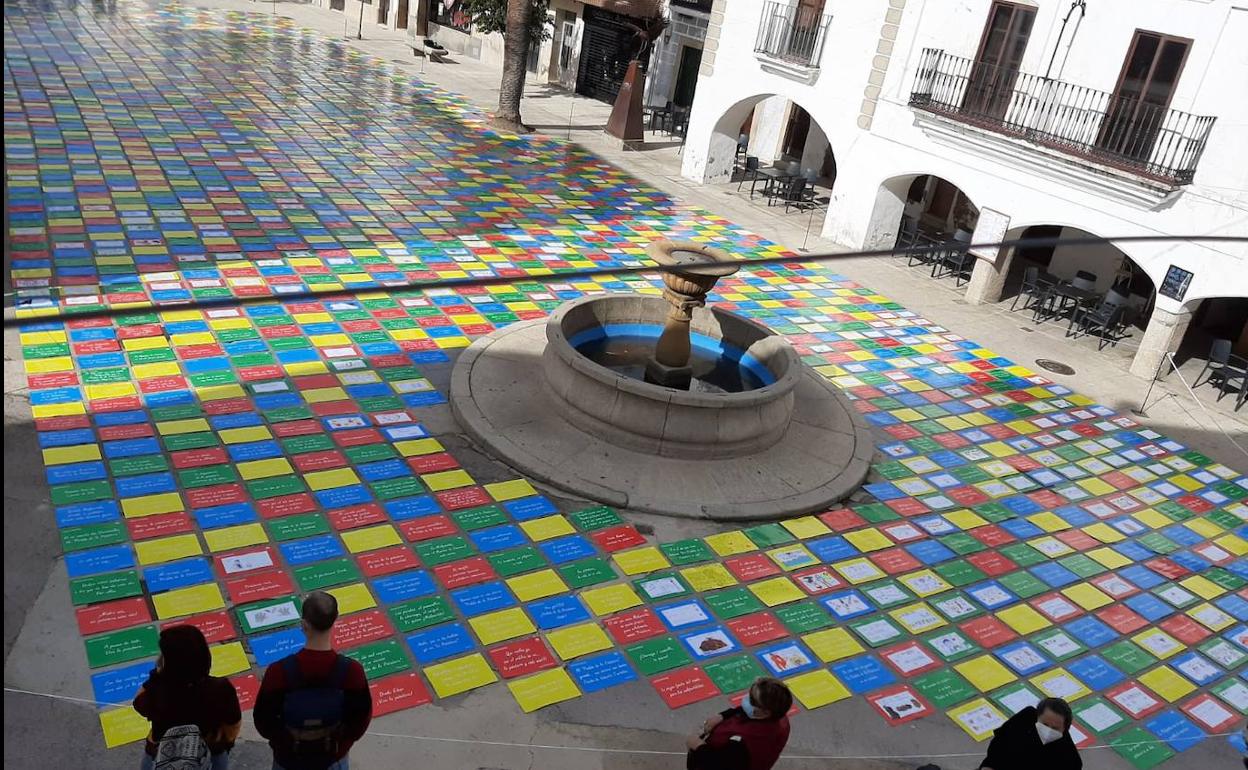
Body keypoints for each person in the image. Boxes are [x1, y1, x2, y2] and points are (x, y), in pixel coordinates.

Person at [254, 592, 372, 770]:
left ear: (304, 625)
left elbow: (263, 721)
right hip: (332, 758)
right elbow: (360, 720)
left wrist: (284, 743)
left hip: (288, 759)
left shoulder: (278, 671)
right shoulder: (352, 671)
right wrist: (339, 745)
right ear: (335, 620)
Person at [133, 624, 242, 770]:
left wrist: (157, 676)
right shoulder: (221, 688)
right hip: (210, 754)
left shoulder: (157, 689)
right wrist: (224, 744)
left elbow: (139, 704)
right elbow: (233, 724)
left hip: (160, 755)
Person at [686, 677, 792, 770]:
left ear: (766, 712)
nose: (746, 698)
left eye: (752, 699)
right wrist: (722, 716)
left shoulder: (743, 744)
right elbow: (745, 710)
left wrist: (698, 745)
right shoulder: (779, 716)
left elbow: (717, 764)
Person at [979, 697, 1082, 770]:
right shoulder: (1025, 718)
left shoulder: (1071, 760)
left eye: (1055, 728)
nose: (1048, 731)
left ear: (1065, 729)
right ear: (1037, 717)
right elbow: (999, 742)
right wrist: (989, 766)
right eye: (1045, 725)